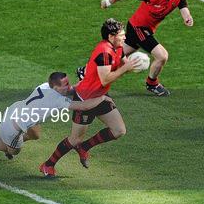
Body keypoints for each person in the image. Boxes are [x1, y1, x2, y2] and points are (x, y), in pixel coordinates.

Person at [39, 19, 139, 177]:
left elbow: (121, 64)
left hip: (100, 95)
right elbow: (106, 79)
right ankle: (48, 164)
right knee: (74, 139)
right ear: (111, 36)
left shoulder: (118, 48)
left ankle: (84, 147)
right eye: (121, 35)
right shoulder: (104, 52)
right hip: (85, 98)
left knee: (119, 130)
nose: (125, 37)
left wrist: (132, 65)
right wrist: (125, 68)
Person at [77, 0, 194, 96]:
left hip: (145, 29)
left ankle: (85, 71)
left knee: (118, 56)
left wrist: (187, 17)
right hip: (138, 28)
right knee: (162, 56)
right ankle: (152, 83)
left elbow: (183, 8)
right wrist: (109, 1)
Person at [0, 72, 114, 158]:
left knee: (36, 135)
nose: (69, 86)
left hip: (16, 109)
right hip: (13, 127)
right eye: (65, 84)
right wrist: (102, 97)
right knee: (10, 150)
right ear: (56, 87)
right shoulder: (57, 101)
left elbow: (73, 90)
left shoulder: (46, 86)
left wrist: (85, 80)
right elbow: (84, 106)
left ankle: (11, 141)